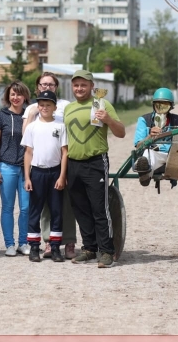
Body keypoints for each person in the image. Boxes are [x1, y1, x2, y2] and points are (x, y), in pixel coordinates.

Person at [64, 70, 125, 268]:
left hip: (96, 162)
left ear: (92, 86)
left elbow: (121, 132)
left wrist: (108, 120)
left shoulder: (103, 104)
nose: (79, 88)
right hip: (73, 163)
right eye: (76, 85)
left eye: (84, 85)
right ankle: (89, 248)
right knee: (80, 209)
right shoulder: (68, 108)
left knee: (100, 208)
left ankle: (107, 251)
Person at [22, 71, 78, 260]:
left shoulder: (62, 117)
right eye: (42, 104)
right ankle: (36, 246)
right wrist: (28, 176)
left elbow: (65, 151)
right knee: (36, 210)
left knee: (58, 209)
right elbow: (28, 151)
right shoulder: (32, 121)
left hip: (56, 170)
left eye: (50, 84)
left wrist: (62, 175)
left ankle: (57, 246)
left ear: (54, 106)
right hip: (37, 171)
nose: (45, 107)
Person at [0, 81, 31, 257]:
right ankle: (9, 244)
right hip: (6, 166)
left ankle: (24, 242)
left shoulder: (30, 115)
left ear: (25, 96)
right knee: (7, 207)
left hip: (26, 168)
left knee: (26, 207)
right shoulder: (1, 115)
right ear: (8, 96)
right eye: (12, 94)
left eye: (19, 94)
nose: (15, 98)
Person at [133, 88, 178, 187]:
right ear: (153, 105)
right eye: (158, 105)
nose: (161, 109)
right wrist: (150, 136)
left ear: (171, 107)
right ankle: (145, 174)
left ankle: (146, 170)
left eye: (165, 105)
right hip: (156, 154)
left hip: (175, 155)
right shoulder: (144, 120)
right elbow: (138, 146)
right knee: (147, 155)